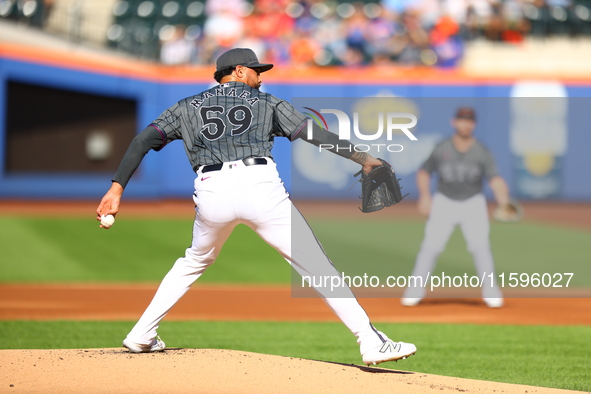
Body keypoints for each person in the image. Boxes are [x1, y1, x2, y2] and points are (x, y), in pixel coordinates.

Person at [96, 48, 417, 366]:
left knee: (193, 260)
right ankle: (369, 340)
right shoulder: (266, 102)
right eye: (255, 70)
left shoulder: (185, 107)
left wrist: (116, 188)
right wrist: (363, 158)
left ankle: (142, 333)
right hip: (260, 185)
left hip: (211, 190)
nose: (260, 76)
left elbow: (143, 141)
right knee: (316, 266)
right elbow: (313, 134)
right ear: (237, 71)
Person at [401, 107, 508, 308]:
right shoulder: (442, 148)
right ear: (454, 122)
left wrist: (503, 201)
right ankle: (414, 290)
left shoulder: (481, 151)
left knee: (480, 247)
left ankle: (491, 292)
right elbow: (424, 172)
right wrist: (425, 196)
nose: (465, 124)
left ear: (474, 124)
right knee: (431, 247)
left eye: (469, 120)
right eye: (462, 119)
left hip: (472, 203)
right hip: (445, 202)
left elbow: (495, 179)